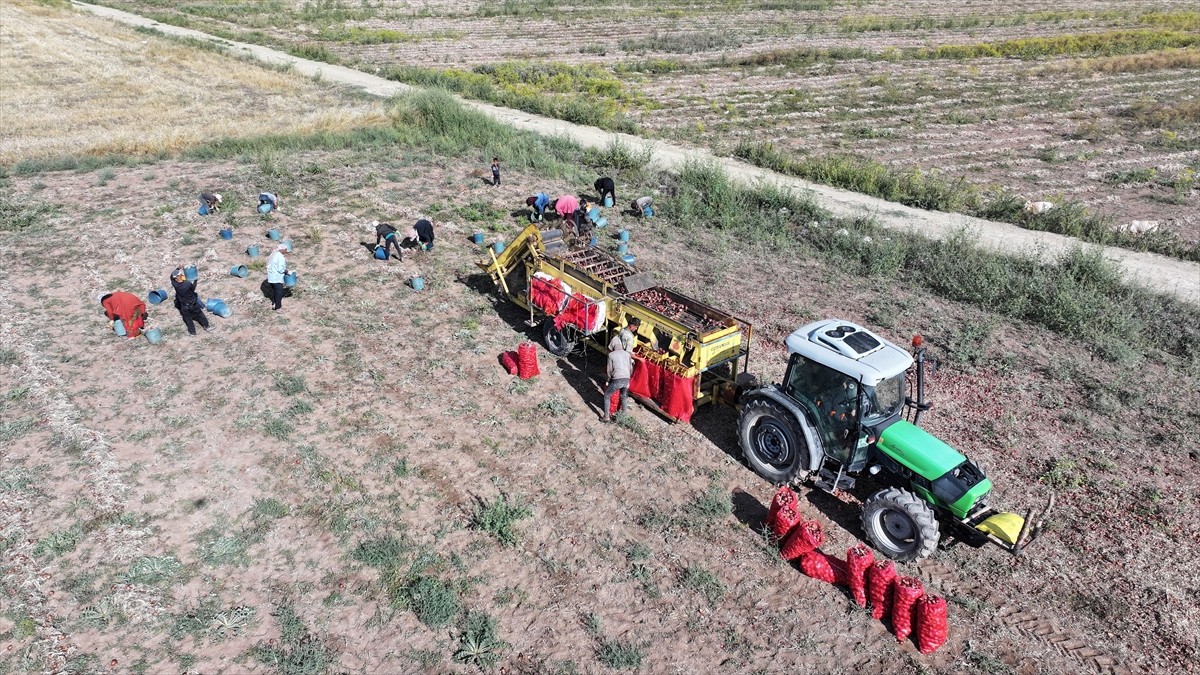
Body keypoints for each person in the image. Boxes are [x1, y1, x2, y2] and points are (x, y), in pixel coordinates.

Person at [170, 268, 212, 336]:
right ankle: (206, 326)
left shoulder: (175, 284)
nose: (182, 274)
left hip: (184, 305)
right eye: (180, 274)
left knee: (188, 319)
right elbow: (193, 289)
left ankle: (192, 332)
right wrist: (195, 280)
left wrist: (178, 268)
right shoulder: (187, 283)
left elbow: (171, 277)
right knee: (200, 315)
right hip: (193, 304)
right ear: (179, 276)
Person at [601, 341, 633, 422]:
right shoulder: (627, 354)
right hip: (626, 378)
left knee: (607, 395)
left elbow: (609, 370)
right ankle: (624, 415)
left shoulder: (611, 355)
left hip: (617, 379)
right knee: (623, 396)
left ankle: (606, 416)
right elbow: (631, 368)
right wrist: (628, 378)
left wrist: (608, 380)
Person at [266, 243, 288, 310]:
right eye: (285, 249)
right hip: (276, 278)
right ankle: (278, 307)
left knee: (275, 291)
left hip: (271, 277)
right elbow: (280, 269)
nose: (286, 251)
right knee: (279, 293)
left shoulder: (274, 255)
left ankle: (274, 303)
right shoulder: (281, 257)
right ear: (282, 250)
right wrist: (287, 271)